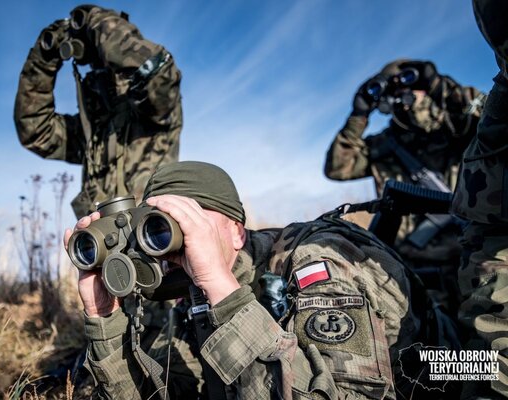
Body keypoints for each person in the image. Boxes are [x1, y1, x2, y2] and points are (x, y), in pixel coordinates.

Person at [65, 161, 424, 399]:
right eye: (160, 229)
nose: (184, 244)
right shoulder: (191, 291)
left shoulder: (315, 262)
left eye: (194, 223)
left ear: (237, 232)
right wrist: (103, 315)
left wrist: (222, 289)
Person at [324, 60, 486, 316]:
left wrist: (441, 87)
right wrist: (359, 115)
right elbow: (337, 167)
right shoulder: (383, 147)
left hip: (477, 257)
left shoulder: (459, 129)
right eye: (396, 93)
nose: (406, 98)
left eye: (413, 87)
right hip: (413, 269)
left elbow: (491, 113)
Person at [14, 4, 182, 219]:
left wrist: (97, 20)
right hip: (102, 246)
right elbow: (35, 131)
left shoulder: (153, 111)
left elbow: (156, 70)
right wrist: (43, 59)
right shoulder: (91, 131)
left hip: (152, 240)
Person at [451, 1, 508, 398]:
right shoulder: (388, 141)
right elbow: (339, 168)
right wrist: (361, 113)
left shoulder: (459, 108)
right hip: (453, 232)